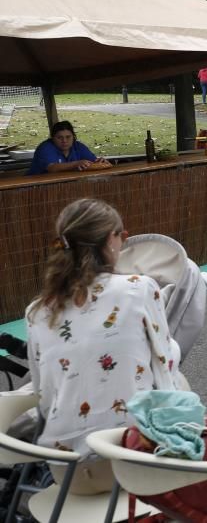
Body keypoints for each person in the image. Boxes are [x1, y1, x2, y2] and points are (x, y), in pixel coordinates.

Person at [27, 199, 179, 493]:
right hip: (133, 462)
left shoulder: (37, 311)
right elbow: (165, 372)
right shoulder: (139, 288)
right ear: (110, 240)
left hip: (66, 471)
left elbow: (43, 396)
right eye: (122, 234)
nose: (124, 240)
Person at [27, 121, 110, 175]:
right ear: (52, 138)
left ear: (73, 137)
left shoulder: (78, 146)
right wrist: (76, 164)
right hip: (36, 187)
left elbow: (93, 163)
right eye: (59, 138)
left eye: (68, 137)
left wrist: (101, 162)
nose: (64, 141)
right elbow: (52, 168)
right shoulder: (45, 148)